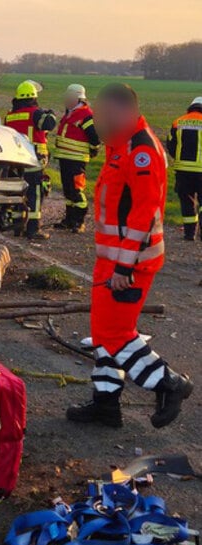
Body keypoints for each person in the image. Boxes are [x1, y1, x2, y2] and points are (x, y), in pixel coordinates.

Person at [66, 83, 193, 429]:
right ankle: (105, 404)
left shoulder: (141, 150)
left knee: (116, 334)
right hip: (113, 260)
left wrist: (124, 267)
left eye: (105, 115)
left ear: (125, 111)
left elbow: (142, 213)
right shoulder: (121, 144)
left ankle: (169, 384)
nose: (99, 122)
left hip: (130, 263)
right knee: (102, 332)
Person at [3, 80, 57, 240]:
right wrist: (51, 113)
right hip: (33, 160)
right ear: (33, 97)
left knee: (18, 193)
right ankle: (33, 229)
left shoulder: (10, 116)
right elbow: (49, 124)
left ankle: (17, 226)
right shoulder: (35, 113)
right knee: (34, 194)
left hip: (14, 162)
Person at [52, 83, 101, 233]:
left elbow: (94, 137)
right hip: (65, 158)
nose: (66, 100)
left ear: (78, 99)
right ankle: (69, 220)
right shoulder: (70, 113)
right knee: (68, 191)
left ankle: (79, 221)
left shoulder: (86, 115)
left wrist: (94, 150)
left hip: (77, 159)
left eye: (69, 97)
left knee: (76, 190)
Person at [166, 96, 202, 241]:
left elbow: (170, 144)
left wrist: (178, 158)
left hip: (183, 171)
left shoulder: (178, 122)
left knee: (187, 202)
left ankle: (189, 234)